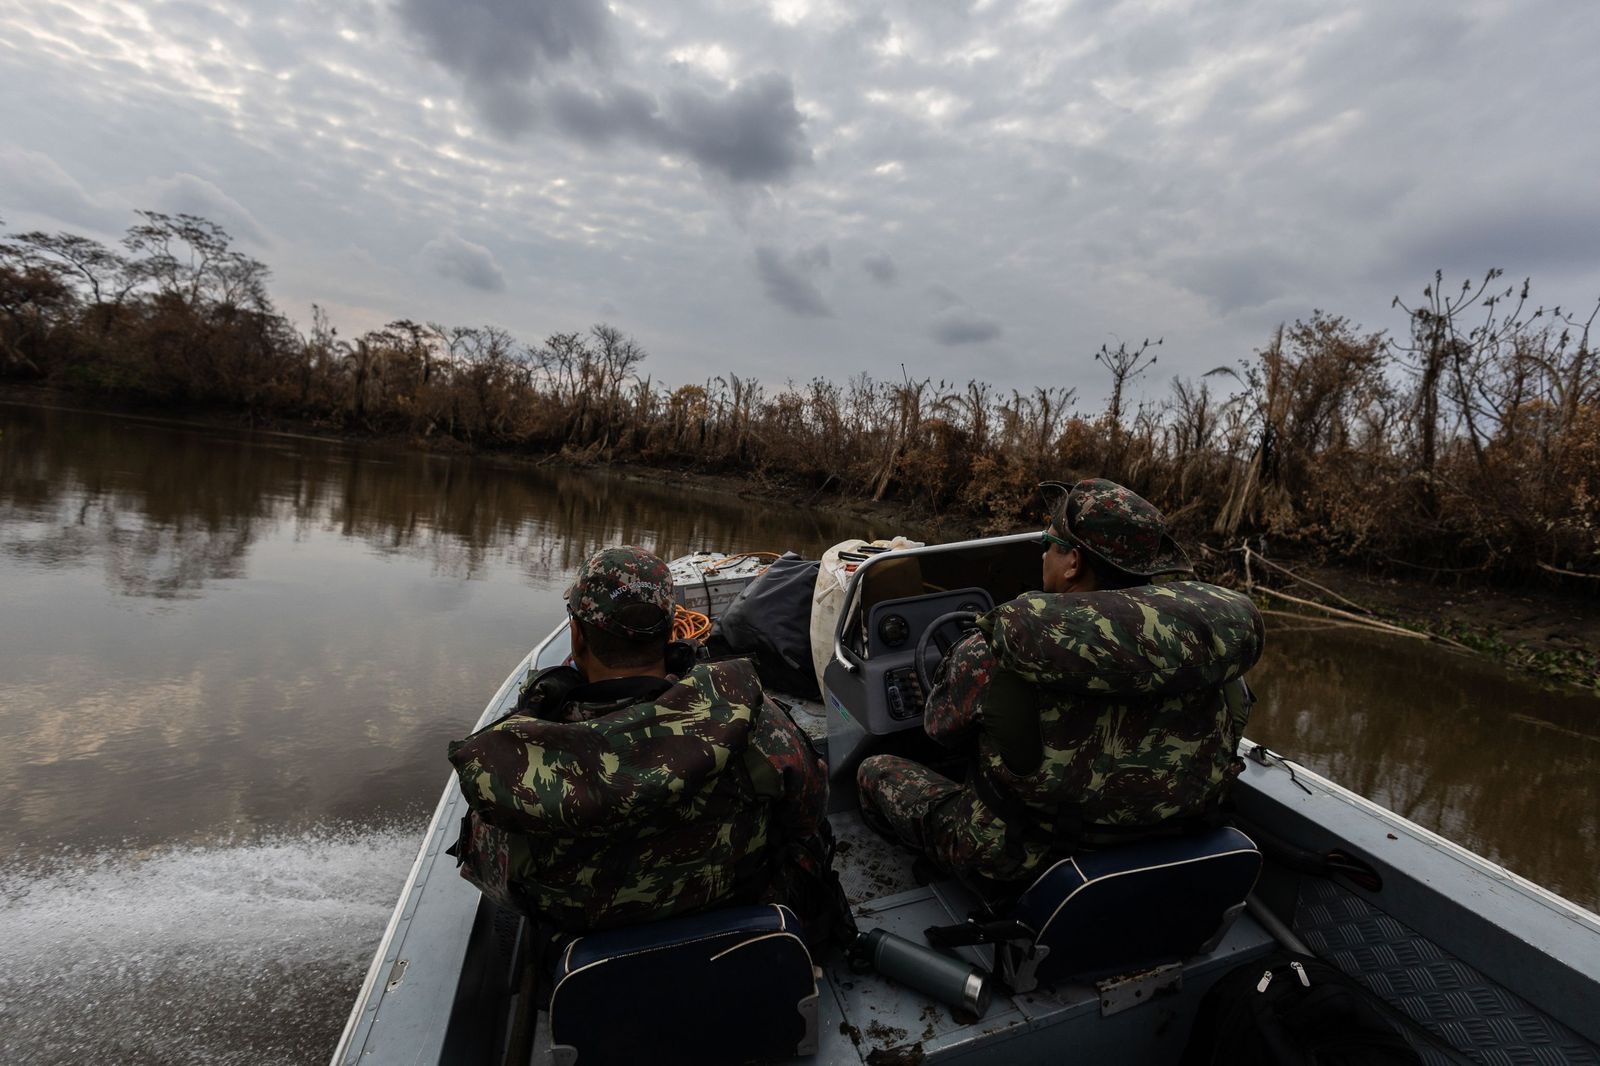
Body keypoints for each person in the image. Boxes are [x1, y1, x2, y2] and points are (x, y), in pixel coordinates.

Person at [856, 478, 1264, 887]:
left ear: (1073, 563)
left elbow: (940, 730)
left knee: (874, 770)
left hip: (1024, 858)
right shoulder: (1211, 653)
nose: (1044, 555)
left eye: (1047, 544)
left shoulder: (998, 649)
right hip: (1175, 841)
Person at [448, 546, 830, 937]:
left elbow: (499, 880)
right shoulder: (750, 717)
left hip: (589, 950)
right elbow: (809, 811)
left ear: (576, 637)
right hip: (735, 917)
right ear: (669, 633)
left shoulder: (512, 769)